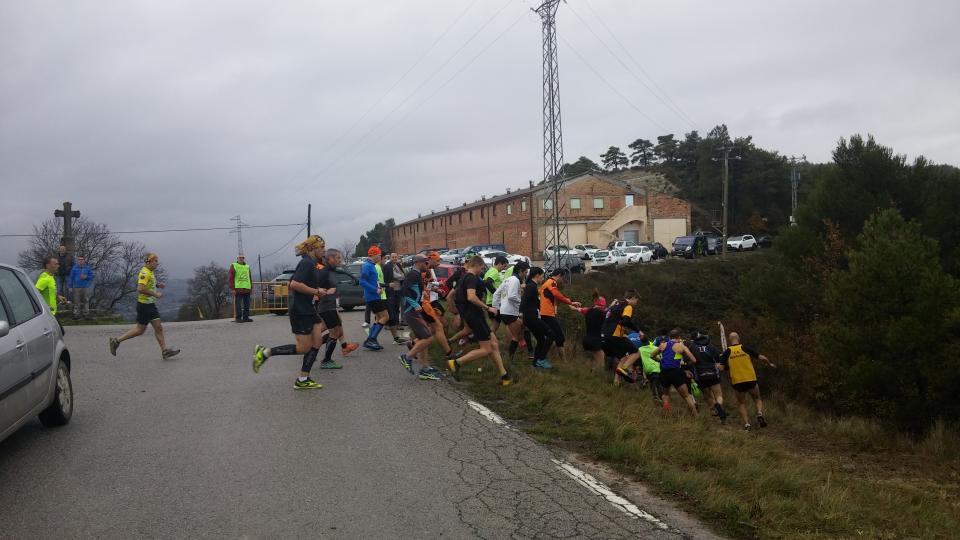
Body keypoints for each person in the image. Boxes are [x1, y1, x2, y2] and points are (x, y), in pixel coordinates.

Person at [251, 235, 330, 389]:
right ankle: (265, 353)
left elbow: (290, 281)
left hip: (308, 308)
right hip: (300, 310)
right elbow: (294, 284)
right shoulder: (306, 263)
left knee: (318, 339)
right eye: (322, 247)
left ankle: (302, 379)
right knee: (304, 348)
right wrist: (316, 291)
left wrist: (315, 291)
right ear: (312, 248)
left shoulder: (311, 263)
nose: (324, 250)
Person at [446, 256, 513, 385]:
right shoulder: (471, 277)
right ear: (476, 265)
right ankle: (456, 363)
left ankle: (504, 376)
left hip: (473, 315)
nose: (482, 271)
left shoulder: (465, 277)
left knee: (493, 344)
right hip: (475, 316)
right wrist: (488, 308)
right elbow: (471, 297)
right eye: (481, 268)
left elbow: (459, 297)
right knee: (486, 349)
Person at [109, 253, 180, 360]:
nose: (157, 263)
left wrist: (157, 285)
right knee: (140, 330)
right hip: (144, 306)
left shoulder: (150, 272)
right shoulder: (144, 273)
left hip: (151, 305)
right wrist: (155, 294)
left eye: (157, 261)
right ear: (149, 262)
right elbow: (140, 289)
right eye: (155, 261)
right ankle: (116, 341)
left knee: (158, 328)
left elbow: (148, 284)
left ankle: (165, 351)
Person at [398, 255, 443, 380]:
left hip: (414, 311)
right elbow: (404, 291)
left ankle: (424, 369)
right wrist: (415, 304)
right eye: (425, 262)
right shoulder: (413, 274)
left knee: (424, 338)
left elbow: (414, 290)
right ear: (418, 262)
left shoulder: (417, 274)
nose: (427, 264)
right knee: (428, 338)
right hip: (411, 311)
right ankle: (407, 357)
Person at [314, 248, 360, 370]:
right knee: (334, 333)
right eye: (338, 258)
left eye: (340, 258)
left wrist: (353, 277)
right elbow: (314, 286)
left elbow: (339, 271)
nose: (340, 260)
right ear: (330, 259)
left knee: (337, 331)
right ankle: (325, 359)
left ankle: (313, 347)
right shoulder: (323, 271)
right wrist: (321, 292)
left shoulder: (331, 270)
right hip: (325, 306)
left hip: (331, 305)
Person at [719, 332, 776, 431]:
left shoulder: (727, 352)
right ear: (738, 338)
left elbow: (721, 368)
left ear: (729, 340)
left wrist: (717, 364)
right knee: (757, 398)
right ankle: (759, 414)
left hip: (737, 382)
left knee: (741, 403)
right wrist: (769, 363)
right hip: (750, 379)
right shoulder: (745, 348)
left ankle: (747, 425)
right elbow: (762, 357)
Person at [650, 328, 699, 415]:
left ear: (669, 337)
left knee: (665, 395)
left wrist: (660, 360)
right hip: (675, 372)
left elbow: (652, 355)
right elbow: (694, 360)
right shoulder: (681, 346)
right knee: (686, 396)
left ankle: (666, 413)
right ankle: (696, 416)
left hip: (664, 372)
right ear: (679, 337)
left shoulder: (662, 345)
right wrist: (686, 363)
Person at [491, 261, 529, 360]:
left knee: (523, 325)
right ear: (520, 271)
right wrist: (523, 304)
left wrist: (496, 308)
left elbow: (496, 294)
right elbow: (512, 296)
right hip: (509, 312)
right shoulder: (515, 280)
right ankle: (510, 359)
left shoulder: (507, 279)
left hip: (505, 311)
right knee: (515, 336)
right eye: (525, 272)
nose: (525, 275)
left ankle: (526, 349)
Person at [601, 291, 641, 383]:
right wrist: (638, 330)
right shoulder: (628, 306)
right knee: (636, 352)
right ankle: (625, 368)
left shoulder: (615, 304)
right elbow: (626, 321)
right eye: (636, 301)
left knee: (623, 358)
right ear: (633, 298)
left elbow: (605, 315)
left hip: (603, 336)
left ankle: (616, 382)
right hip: (615, 335)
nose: (636, 303)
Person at [520, 266, 554, 369]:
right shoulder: (531, 286)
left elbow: (536, 302)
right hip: (531, 318)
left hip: (531, 317)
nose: (543, 278)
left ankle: (535, 363)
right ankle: (541, 359)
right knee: (551, 334)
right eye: (542, 276)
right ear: (537, 275)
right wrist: (521, 313)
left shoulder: (532, 285)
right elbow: (524, 300)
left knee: (541, 340)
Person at [539, 269, 580, 351]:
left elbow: (548, 297)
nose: (562, 280)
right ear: (559, 275)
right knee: (559, 337)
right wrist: (570, 302)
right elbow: (556, 295)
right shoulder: (552, 282)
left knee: (552, 335)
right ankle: (542, 357)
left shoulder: (546, 283)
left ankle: (546, 356)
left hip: (544, 313)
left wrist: (569, 304)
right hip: (547, 313)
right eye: (563, 277)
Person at [689, 332, 727, 423]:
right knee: (719, 395)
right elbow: (719, 360)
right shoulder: (711, 346)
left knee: (708, 396)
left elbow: (689, 360)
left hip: (700, 375)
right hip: (713, 373)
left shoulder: (692, 347)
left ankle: (714, 408)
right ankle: (718, 406)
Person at [359, 246, 390, 350]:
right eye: (379, 255)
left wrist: (378, 287)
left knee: (379, 318)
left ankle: (370, 340)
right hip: (372, 296)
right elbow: (362, 281)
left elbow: (372, 281)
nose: (380, 257)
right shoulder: (367, 266)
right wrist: (375, 290)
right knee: (385, 317)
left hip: (374, 295)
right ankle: (371, 339)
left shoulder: (372, 265)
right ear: (373, 255)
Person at [571, 289, 606, 371]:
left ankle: (593, 371)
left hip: (587, 339)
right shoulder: (603, 312)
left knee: (596, 357)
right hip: (596, 340)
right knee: (601, 361)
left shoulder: (587, 310)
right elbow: (610, 311)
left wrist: (569, 302)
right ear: (603, 304)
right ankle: (600, 375)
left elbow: (575, 309)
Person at [482, 255, 509, 333]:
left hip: (489, 301)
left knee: (494, 324)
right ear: (499, 263)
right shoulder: (495, 271)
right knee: (496, 324)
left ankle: (488, 339)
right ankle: (488, 340)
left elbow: (484, 282)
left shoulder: (489, 270)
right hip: (494, 302)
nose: (504, 268)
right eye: (504, 266)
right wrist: (496, 293)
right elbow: (487, 282)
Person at [383, 253, 405, 344]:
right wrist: (400, 276)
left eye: (396, 257)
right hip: (391, 290)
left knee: (397, 308)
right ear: (390, 258)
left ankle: (396, 324)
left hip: (398, 289)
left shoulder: (398, 265)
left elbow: (403, 275)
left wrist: (401, 276)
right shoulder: (388, 266)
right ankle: (389, 324)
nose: (394, 258)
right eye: (392, 257)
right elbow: (398, 276)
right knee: (391, 309)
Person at [637, 333, 663, 404]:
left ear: (641, 342)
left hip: (648, 370)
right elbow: (661, 357)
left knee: (652, 385)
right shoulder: (655, 348)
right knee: (659, 385)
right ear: (649, 340)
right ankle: (662, 398)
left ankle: (656, 398)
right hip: (658, 369)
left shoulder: (640, 350)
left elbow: (638, 360)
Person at [68, 255, 95, 320]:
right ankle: (76, 314)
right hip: (76, 287)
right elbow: (71, 277)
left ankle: (86, 314)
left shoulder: (87, 268)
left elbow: (92, 276)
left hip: (85, 287)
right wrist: (70, 286)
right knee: (76, 301)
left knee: (86, 300)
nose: (80, 261)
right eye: (79, 259)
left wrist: (86, 277)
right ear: (77, 261)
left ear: (84, 260)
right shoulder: (74, 268)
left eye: (82, 259)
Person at [229, 253, 253, 323]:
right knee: (238, 305)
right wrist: (232, 288)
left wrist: (251, 287)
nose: (241, 259)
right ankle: (238, 318)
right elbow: (230, 277)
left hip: (247, 289)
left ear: (244, 258)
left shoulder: (247, 266)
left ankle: (246, 317)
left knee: (247, 304)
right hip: (238, 289)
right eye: (240, 258)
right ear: (237, 258)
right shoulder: (234, 265)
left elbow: (249, 277)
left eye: (242, 258)